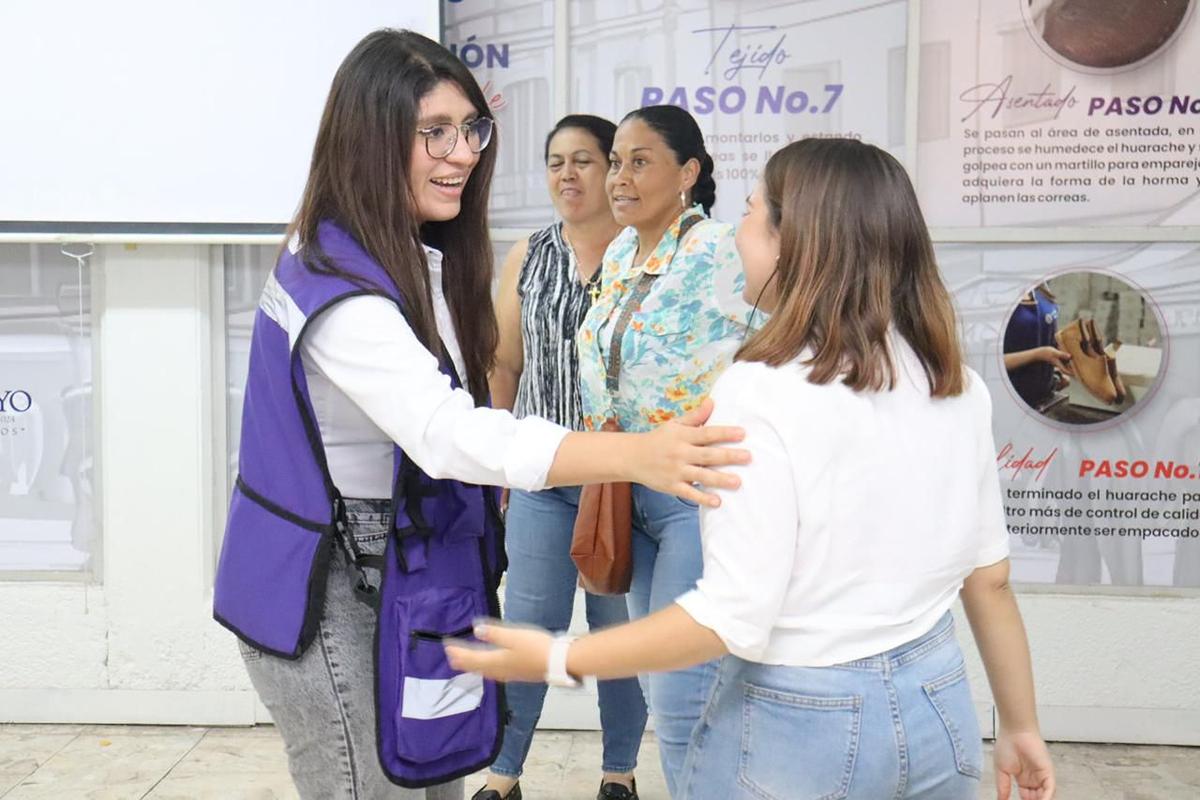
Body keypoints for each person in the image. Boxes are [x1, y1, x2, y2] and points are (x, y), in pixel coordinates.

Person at [213, 30, 748, 800]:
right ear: (370, 138)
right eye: (434, 132)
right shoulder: (334, 276)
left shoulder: (412, 251)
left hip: (413, 561)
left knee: (434, 773)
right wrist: (633, 455)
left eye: (471, 129)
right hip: (329, 581)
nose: (462, 153)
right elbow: (449, 432)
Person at [448, 138, 1058, 800]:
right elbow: (990, 582)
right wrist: (1021, 725)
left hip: (802, 722)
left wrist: (560, 656)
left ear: (793, 244)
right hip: (939, 705)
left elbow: (729, 618)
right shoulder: (956, 385)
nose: (735, 231)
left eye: (750, 210)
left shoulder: (758, 393)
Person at [573, 104, 754, 797]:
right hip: (626, 490)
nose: (619, 176)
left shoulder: (717, 252)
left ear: (689, 173)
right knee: (662, 682)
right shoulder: (622, 249)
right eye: (616, 161)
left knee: (681, 690)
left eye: (639, 161)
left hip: (691, 495)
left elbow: (785, 339)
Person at [478, 114, 648, 800]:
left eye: (584, 160)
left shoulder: (649, 257)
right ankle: (503, 774)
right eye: (555, 162)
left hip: (620, 482)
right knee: (528, 628)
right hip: (542, 475)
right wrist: (496, 464)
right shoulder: (528, 254)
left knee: (619, 638)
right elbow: (504, 365)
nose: (568, 175)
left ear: (614, 171)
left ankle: (619, 774)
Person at [1003, 284, 1072, 409]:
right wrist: (1039, 355)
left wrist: (1054, 374)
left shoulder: (1040, 288)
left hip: (1044, 399)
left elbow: (1040, 338)